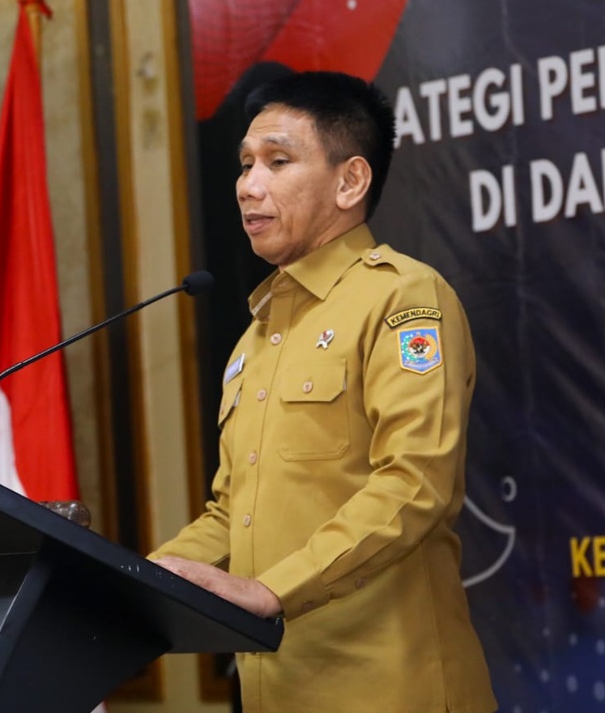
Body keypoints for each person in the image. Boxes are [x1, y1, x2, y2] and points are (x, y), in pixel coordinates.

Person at [150, 71, 496, 712]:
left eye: (278, 161)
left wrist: (272, 591)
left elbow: (415, 483)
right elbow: (231, 513)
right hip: (277, 690)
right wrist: (136, 579)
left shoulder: (402, 297)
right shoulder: (256, 337)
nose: (249, 185)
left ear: (350, 181)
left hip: (392, 690)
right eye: (245, 164)